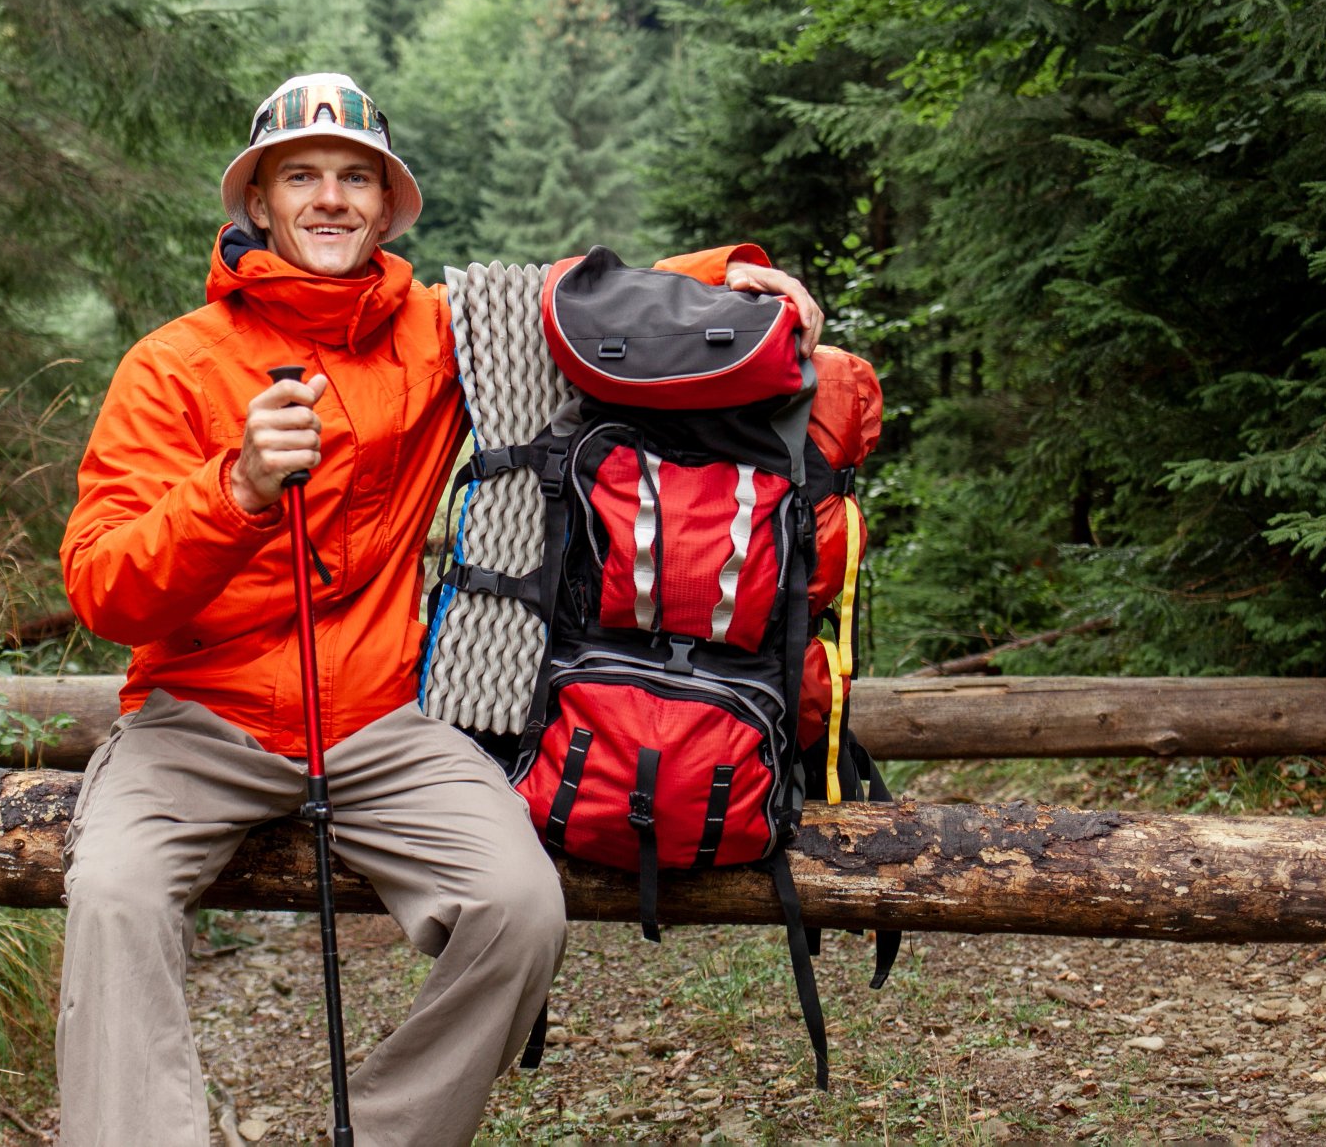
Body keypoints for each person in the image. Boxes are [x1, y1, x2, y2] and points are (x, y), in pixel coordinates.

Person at [55, 73, 824, 1146]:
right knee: (113, 897)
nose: (329, 199)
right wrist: (230, 490)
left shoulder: (438, 332)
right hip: (197, 715)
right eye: (301, 177)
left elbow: (585, 302)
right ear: (260, 204)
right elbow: (100, 587)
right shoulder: (171, 364)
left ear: (387, 203)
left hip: (381, 718)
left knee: (519, 908)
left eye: (354, 177)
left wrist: (732, 276)